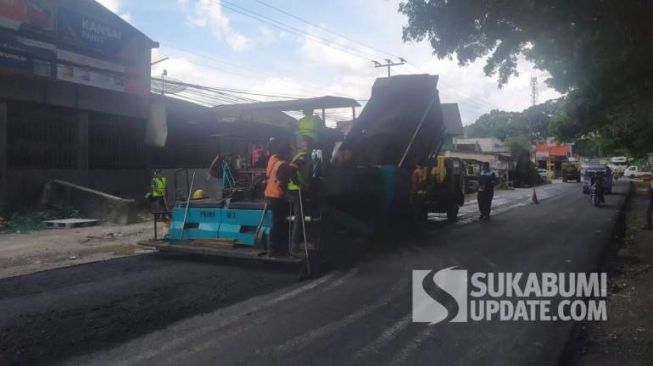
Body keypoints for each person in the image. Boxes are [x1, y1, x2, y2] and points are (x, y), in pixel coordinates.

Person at [287, 137, 314, 255]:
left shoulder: (301, 156)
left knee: (301, 218)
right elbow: (292, 170)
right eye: (307, 145)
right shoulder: (303, 156)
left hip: (295, 190)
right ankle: (294, 248)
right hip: (296, 191)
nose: (308, 147)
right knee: (299, 219)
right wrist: (299, 184)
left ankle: (299, 243)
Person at [264, 144, 291, 256]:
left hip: (269, 193)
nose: (290, 155)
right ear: (285, 153)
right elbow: (281, 181)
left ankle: (274, 247)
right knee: (278, 222)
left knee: (277, 221)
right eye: (289, 153)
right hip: (276, 195)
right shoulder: (283, 165)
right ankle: (274, 249)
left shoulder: (273, 159)